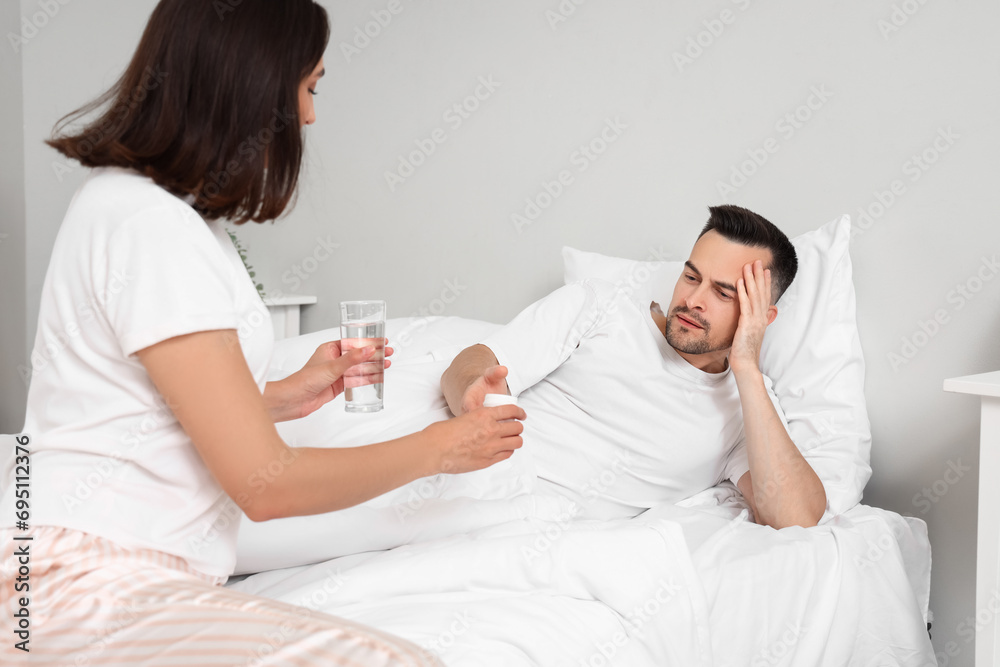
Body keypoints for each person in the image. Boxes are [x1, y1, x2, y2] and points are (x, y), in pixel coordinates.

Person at [0, 1, 525, 665]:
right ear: (249, 84)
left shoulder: (172, 222)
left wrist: (283, 393)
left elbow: (144, 405)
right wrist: (440, 448)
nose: (309, 115)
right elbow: (264, 483)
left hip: (126, 577)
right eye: (308, 87)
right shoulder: (145, 223)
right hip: (76, 582)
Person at [441, 205, 827, 530]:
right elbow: (477, 360)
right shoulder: (601, 307)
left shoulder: (748, 411)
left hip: (534, 532)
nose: (693, 300)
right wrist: (471, 397)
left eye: (722, 293)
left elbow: (797, 519)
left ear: (762, 316)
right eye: (691, 277)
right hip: (463, 480)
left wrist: (746, 365)